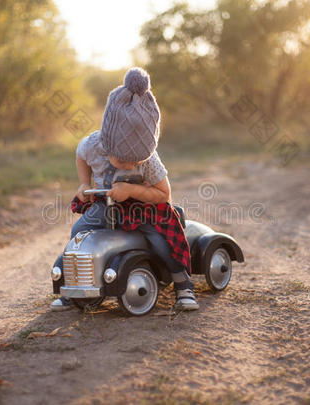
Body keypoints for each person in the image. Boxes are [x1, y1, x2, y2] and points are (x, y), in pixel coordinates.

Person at [50, 67, 199, 312]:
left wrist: (132, 192)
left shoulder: (150, 161)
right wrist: (84, 183)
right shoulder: (93, 145)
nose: (130, 165)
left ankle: (183, 285)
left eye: (136, 162)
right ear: (106, 142)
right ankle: (74, 285)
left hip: (143, 209)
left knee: (161, 242)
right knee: (79, 231)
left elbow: (164, 195)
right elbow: (80, 156)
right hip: (105, 206)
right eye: (122, 160)